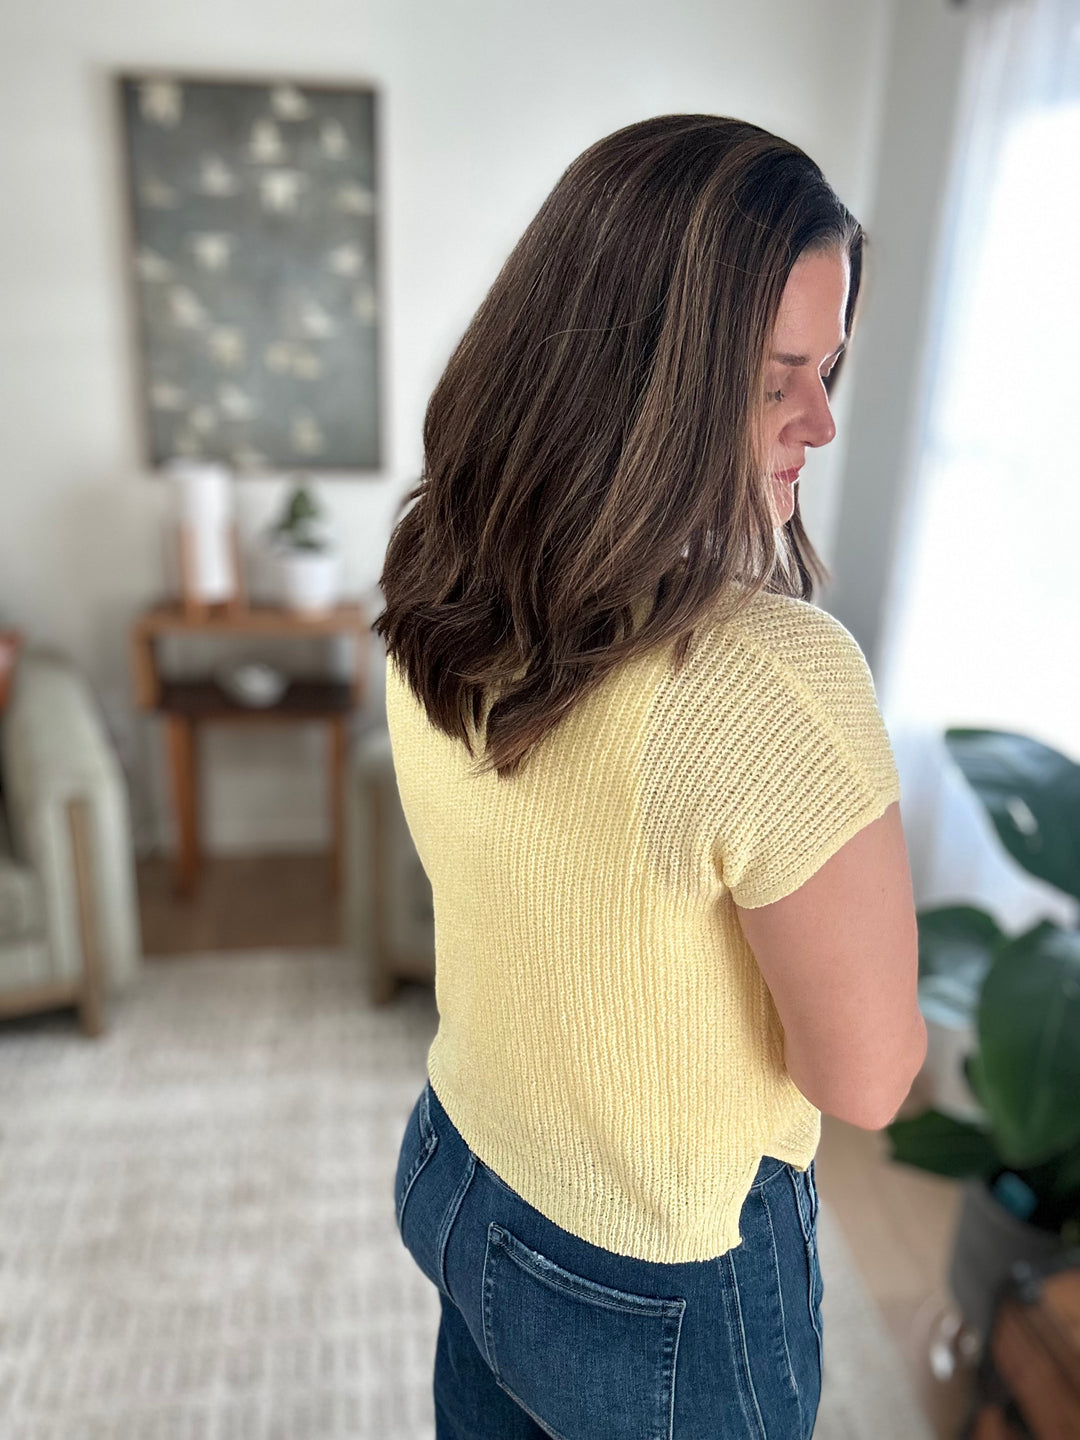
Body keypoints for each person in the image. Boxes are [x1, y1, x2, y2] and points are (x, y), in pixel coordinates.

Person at [373, 114, 927, 1440]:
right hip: (653, 1286)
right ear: (641, 374)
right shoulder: (769, 681)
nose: (824, 421)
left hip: (460, 1170)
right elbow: (868, 1081)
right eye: (776, 378)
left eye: (831, 367)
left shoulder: (439, 562)